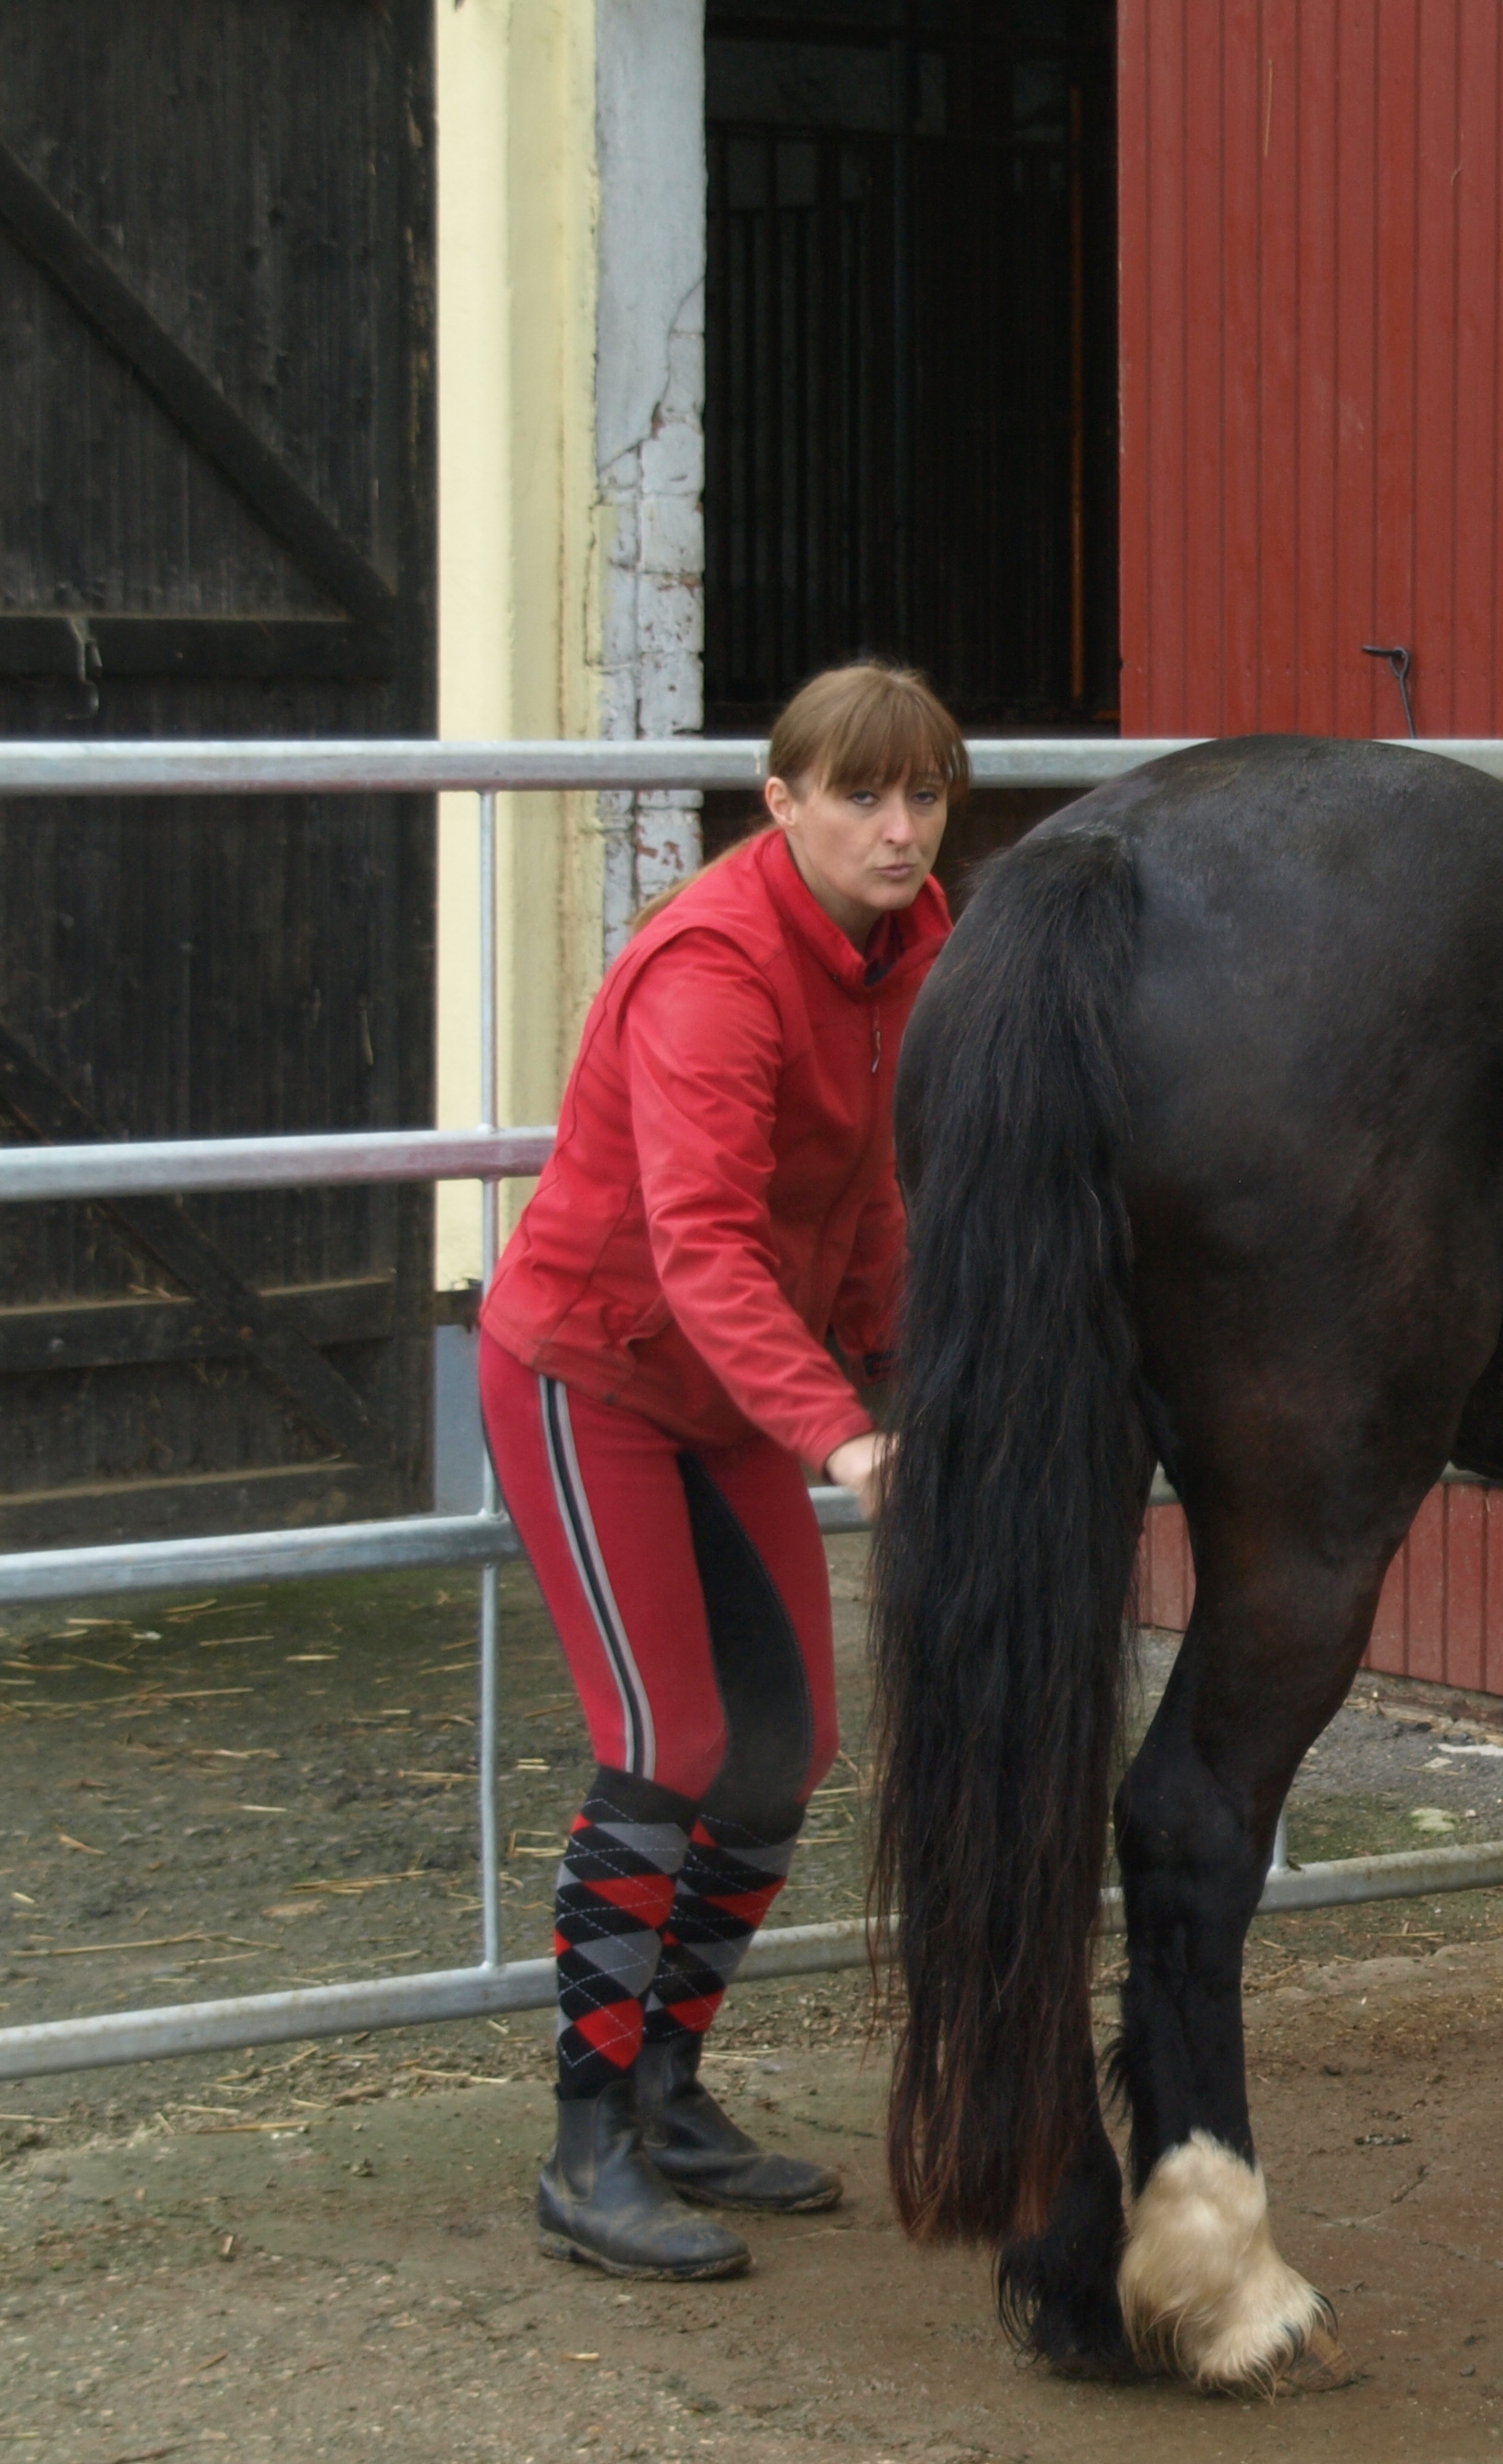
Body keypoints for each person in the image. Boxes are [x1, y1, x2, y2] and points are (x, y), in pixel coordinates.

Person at [477, 662, 959, 2278]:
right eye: (861, 798)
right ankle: (585, 2148)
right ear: (781, 803)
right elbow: (698, 1244)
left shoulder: (911, 947)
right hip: (596, 1368)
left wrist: (898, 1369)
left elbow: (873, 1187)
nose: (899, 831)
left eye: (924, 796)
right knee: (668, 1740)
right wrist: (845, 1434)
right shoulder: (714, 968)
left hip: (739, 1391)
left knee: (784, 1748)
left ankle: (670, 2092)